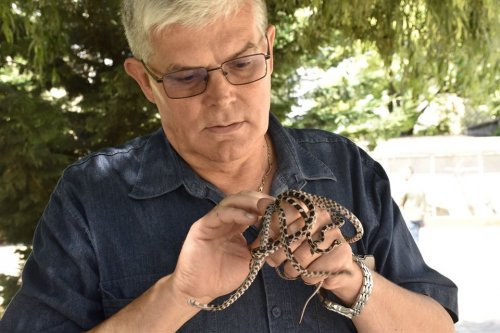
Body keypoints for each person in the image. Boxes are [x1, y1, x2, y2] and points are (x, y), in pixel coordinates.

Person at [0, 0, 458, 332]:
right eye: (186, 76)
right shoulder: (90, 198)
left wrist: (353, 280)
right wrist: (176, 296)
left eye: (242, 63)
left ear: (270, 51)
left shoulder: (347, 168)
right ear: (145, 80)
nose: (223, 99)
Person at [399, 167, 427, 242]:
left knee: (410, 240)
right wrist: (423, 218)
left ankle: (413, 253)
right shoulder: (420, 187)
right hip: (419, 216)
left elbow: (401, 201)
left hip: (409, 216)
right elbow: (424, 204)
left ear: (410, 174)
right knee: (415, 237)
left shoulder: (407, 186)